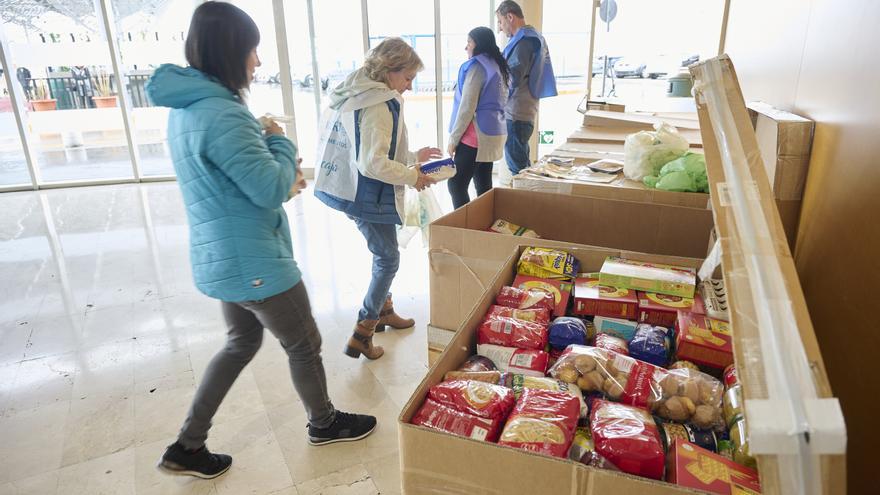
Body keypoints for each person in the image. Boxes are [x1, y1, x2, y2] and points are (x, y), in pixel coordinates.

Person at [145, 1, 376, 479]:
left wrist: (270, 159)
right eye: (253, 51)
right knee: (304, 342)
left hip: (223, 255)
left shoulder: (187, 107)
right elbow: (269, 188)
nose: (258, 62)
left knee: (239, 342)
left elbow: (239, 184)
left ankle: (188, 445)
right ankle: (325, 423)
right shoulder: (223, 114)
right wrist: (279, 140)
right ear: (232, 52)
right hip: (254, 261)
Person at [314, 37, 441, 360]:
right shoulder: (379, 104)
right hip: (368, 194)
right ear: (389, 70)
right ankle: (363, 332)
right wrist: (413, 176)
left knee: (384, 253)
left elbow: (372, 150)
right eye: (408, 78)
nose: (409, 87)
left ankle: (384, 311)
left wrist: (414, 156)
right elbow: (372, 162)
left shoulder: (360, 92)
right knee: (387, 258)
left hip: (356, 188)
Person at [446, 26, 509, 209]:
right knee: (483, 185)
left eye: (469, 42)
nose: (466, 47)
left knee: (456, 184)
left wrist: (453, 139)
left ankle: (466, 228)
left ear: (478, 44)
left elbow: (467, 107)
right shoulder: (497, 64)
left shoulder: (477, 67)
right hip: (493, 131)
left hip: (476, 135)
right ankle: (485, 227)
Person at [495, 0, 557, 176]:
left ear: (510, 17)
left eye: (500, 22)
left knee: (519, 170)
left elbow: (512, 77)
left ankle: (525, 201)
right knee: (522, 163)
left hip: (516, 113)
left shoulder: (524, 41)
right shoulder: (535, 36)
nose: (500, 28)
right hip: (525, 110)